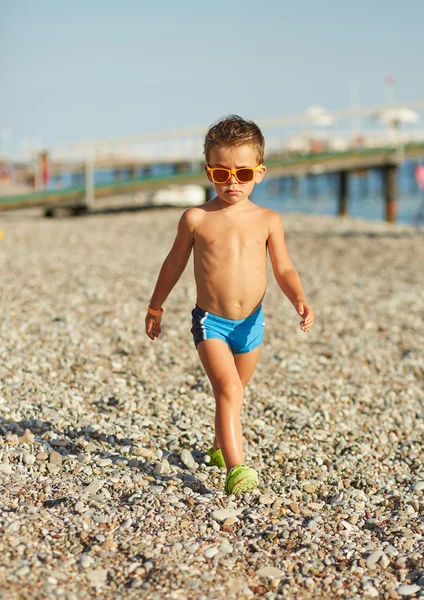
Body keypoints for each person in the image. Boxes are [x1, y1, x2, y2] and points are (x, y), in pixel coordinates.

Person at [145, 115, 314, 496]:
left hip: (251, 324)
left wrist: (299, 299)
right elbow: (173, 264)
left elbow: (284, 268)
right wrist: (156, 307)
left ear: (260, 172)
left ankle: (221, 447)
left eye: (242, 172)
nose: (232, 182)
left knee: (235, 391)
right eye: (221, 174)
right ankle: (237, 469)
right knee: (228, 390)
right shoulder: (196, 219)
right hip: (211, 324)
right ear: (209, 172)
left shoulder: (268, 220)